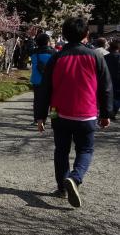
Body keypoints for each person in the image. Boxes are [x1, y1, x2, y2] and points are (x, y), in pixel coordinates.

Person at [35, 18, 113, 208]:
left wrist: (40, 116)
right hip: (86, 113)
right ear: (87, 34)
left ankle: (62, 187)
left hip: (57, 112)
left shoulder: (57, 57)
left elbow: (45, 88)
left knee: (61, 150)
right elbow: (106, 88)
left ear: (65, 34)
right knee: (85, 149)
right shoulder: (95, 57)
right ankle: (75, 177)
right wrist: (106, 113)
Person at [29, 33, 55, 124]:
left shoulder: (34, 53)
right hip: (51, 80)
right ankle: (54, 119)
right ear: (48, 42)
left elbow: (29, 48)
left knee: (38, 101)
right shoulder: (53, 53)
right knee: (53, 102)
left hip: (37, 80)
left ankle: (38, 120)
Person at [104, 39, 120, 119]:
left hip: (108, 78)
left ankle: (110, 111)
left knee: (110, 95)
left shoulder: (105, 57)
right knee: (117, 97)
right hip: (118, 78)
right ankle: (113, 111)